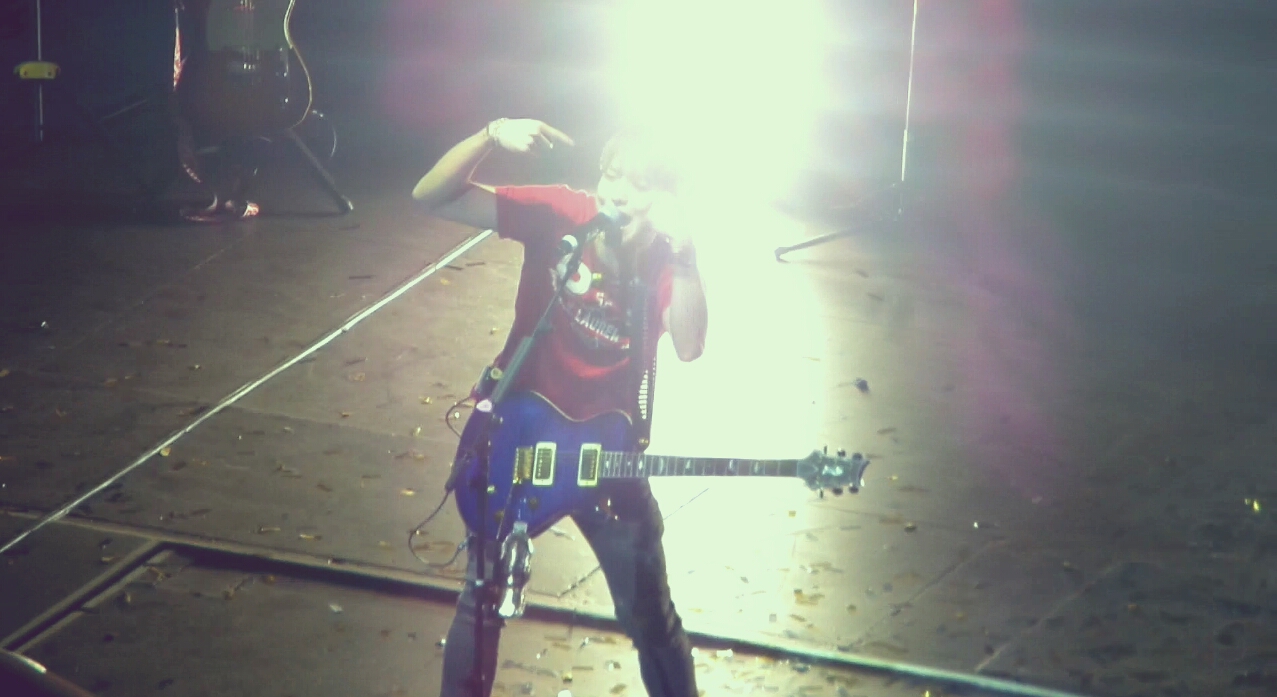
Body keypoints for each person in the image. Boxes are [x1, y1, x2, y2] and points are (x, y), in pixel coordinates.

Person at [412, 117, 708, 697]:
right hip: (520, 436)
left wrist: (688, 257)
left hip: (605, 457)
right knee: (480, 602)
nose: (618, 193)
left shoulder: (666, 258)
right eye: (611, 176)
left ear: (669, 199)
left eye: (640, 185)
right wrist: (490, 135)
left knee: (651, 618)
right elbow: (431, 196)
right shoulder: (561, 214)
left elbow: (689, 345)